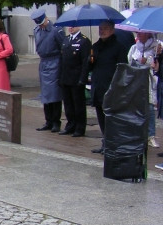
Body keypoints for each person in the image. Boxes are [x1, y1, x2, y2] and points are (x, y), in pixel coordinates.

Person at [88, 21, 129, 154]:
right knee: (101, 117)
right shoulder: (95, 46)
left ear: (112, 30)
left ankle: (113, 144)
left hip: (112, 89)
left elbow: (123, 69)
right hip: (98, 87)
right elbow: (90, 67)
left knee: (111, 119)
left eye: (105, 29)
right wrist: (90, 60)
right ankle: (105, 143)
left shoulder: (119, 47)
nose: (102, 31)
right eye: (100, 28)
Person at [31, 9, 65, 132]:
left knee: (54, 94)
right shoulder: (37, 30)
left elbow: (63, 47)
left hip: (54, 62)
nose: (41, 26)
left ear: (46, 19)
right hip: (44, 62)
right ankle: (48, 120)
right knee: (45, 94)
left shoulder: (56, 30)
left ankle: (56, 121)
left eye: (42, 23)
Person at [127, 32, 160, 150]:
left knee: (150, 108)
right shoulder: (134, 47)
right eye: (137, 33)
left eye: (141, 33)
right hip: (136, 81)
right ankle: (137, 133)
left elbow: (156, 66)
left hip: (149, 82)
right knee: (135, 107)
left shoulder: (156, 47)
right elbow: (129, 62)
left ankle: (151, 135)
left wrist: (148, 61)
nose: (139, 35)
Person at [59, 25, 91, 138]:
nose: (71, 28)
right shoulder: (66, 39)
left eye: (73, 26)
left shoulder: (84, 41)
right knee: (68, 104)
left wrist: (83, 78)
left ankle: (80, 127)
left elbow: (85, 62)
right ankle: (70, 125)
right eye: (69, 26)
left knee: (78, 105)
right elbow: (62, 60)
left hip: (76, 78)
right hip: (65, 77)